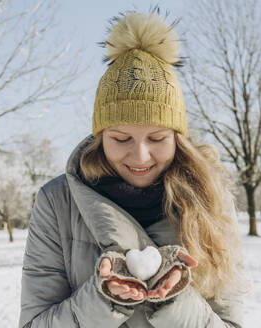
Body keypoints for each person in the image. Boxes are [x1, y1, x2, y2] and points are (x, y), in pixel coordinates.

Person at [18, 7, 245, 328]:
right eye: (121, 138)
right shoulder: (57, 202)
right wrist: (102, 298)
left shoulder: (211, 199)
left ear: (178, 138)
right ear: (100, 137)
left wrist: (175, 299)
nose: (140, 156)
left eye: (157, 137)